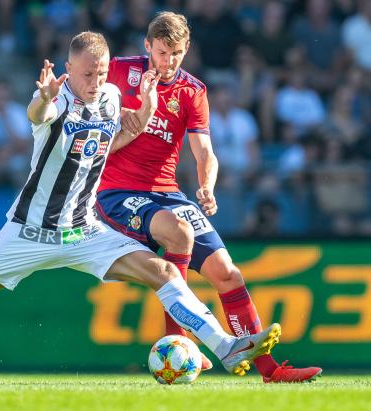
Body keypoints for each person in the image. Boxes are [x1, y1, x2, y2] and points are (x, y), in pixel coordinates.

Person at [0, 31, 280, 384]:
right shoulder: (57, 99)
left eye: (101, 72)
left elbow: (118, 136)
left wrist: (143, 110)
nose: (95, 81)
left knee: (164, 273)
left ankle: (226, 347)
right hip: (27, 233)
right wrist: (42, 97)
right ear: (68, 68)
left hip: (84, 231)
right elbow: (35, 118)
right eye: (86, 73)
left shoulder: (110, 98)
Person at [95, 12, 321, 383]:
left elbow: (204, 152)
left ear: (188, 50)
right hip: (117, 192)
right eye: (163, 52)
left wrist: (206, 186)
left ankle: (270, 370)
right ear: (147, 46)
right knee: (179, 233)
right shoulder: (119, 72)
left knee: (228, 274)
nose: (169, 62)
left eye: (178, 54)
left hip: (167, 192)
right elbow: (84, 95)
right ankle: (181, 341)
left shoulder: (193, 90)